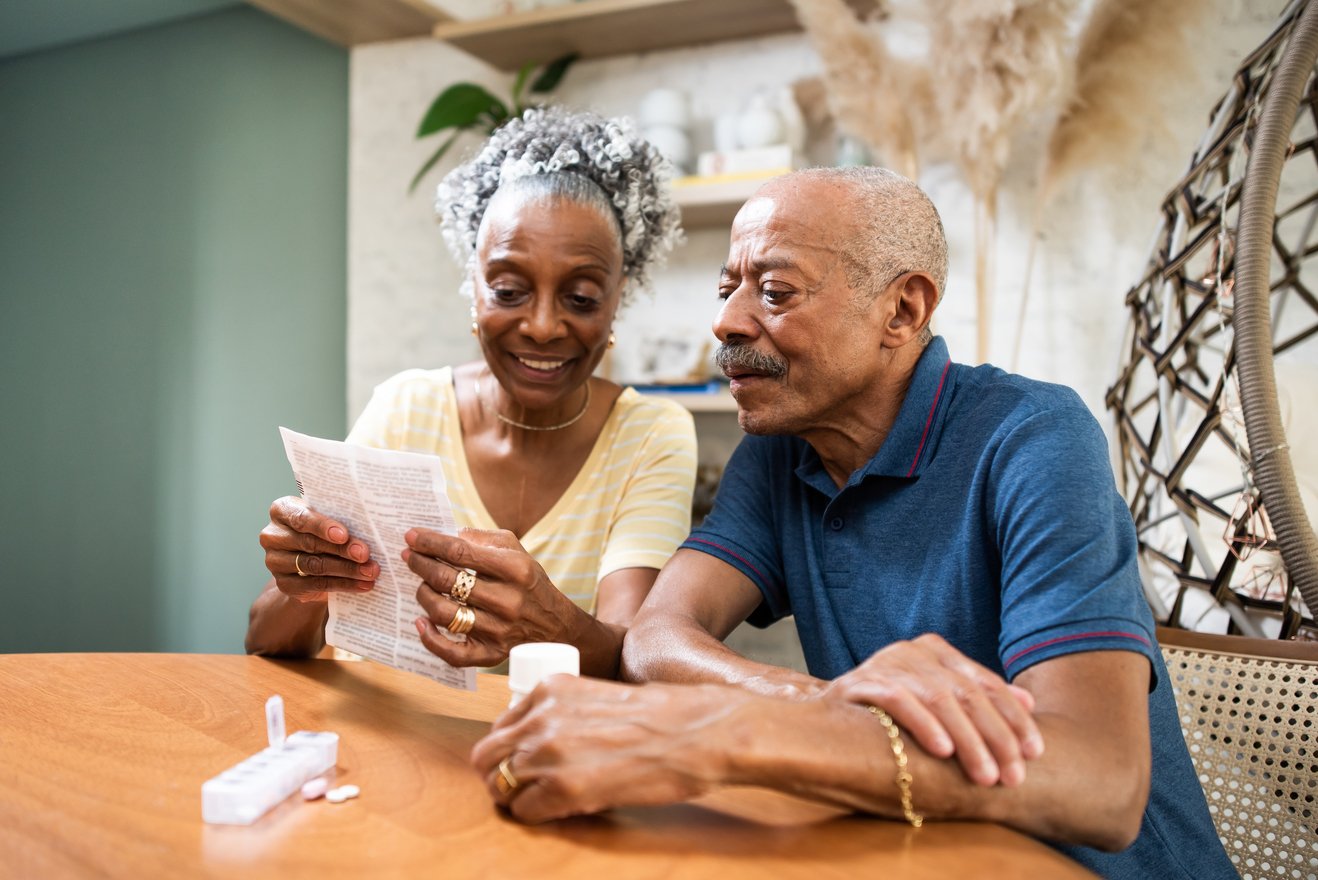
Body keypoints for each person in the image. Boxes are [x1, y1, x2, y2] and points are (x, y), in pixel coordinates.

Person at [468, 167, 1235, 879]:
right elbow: (657, 636)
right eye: (729, 287)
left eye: (774, 292)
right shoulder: (778, 451)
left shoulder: (1034, 437)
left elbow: (1098, 782)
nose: (726, 323)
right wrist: (820, 704)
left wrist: (724, 731)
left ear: (902, 310)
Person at [245, 108, 695, 678]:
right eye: (509, 290)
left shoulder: (650, 433)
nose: (541, 325)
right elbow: (264, 642)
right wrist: (305, 578)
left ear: (616, 302)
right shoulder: (407, 408)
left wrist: (546, 620)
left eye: (580, 298)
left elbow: (632, 659)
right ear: (474, 287)